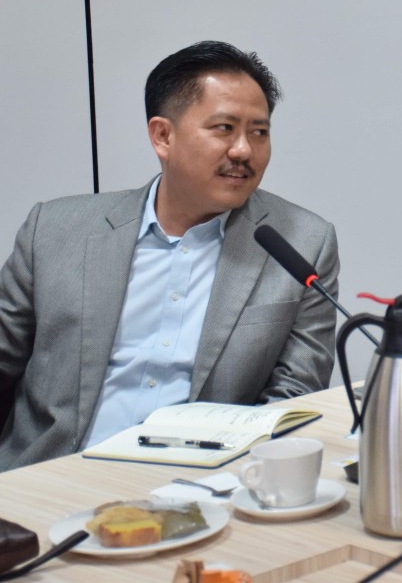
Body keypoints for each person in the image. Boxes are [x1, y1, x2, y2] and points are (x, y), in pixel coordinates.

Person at [0, 41, 339, 471]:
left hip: (198, 485)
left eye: (259, 132)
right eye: (224, 128)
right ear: (163, 135)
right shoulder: (54, 231)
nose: (243, 150)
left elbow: (291, 402)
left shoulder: (302, 243)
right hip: (49, 475)